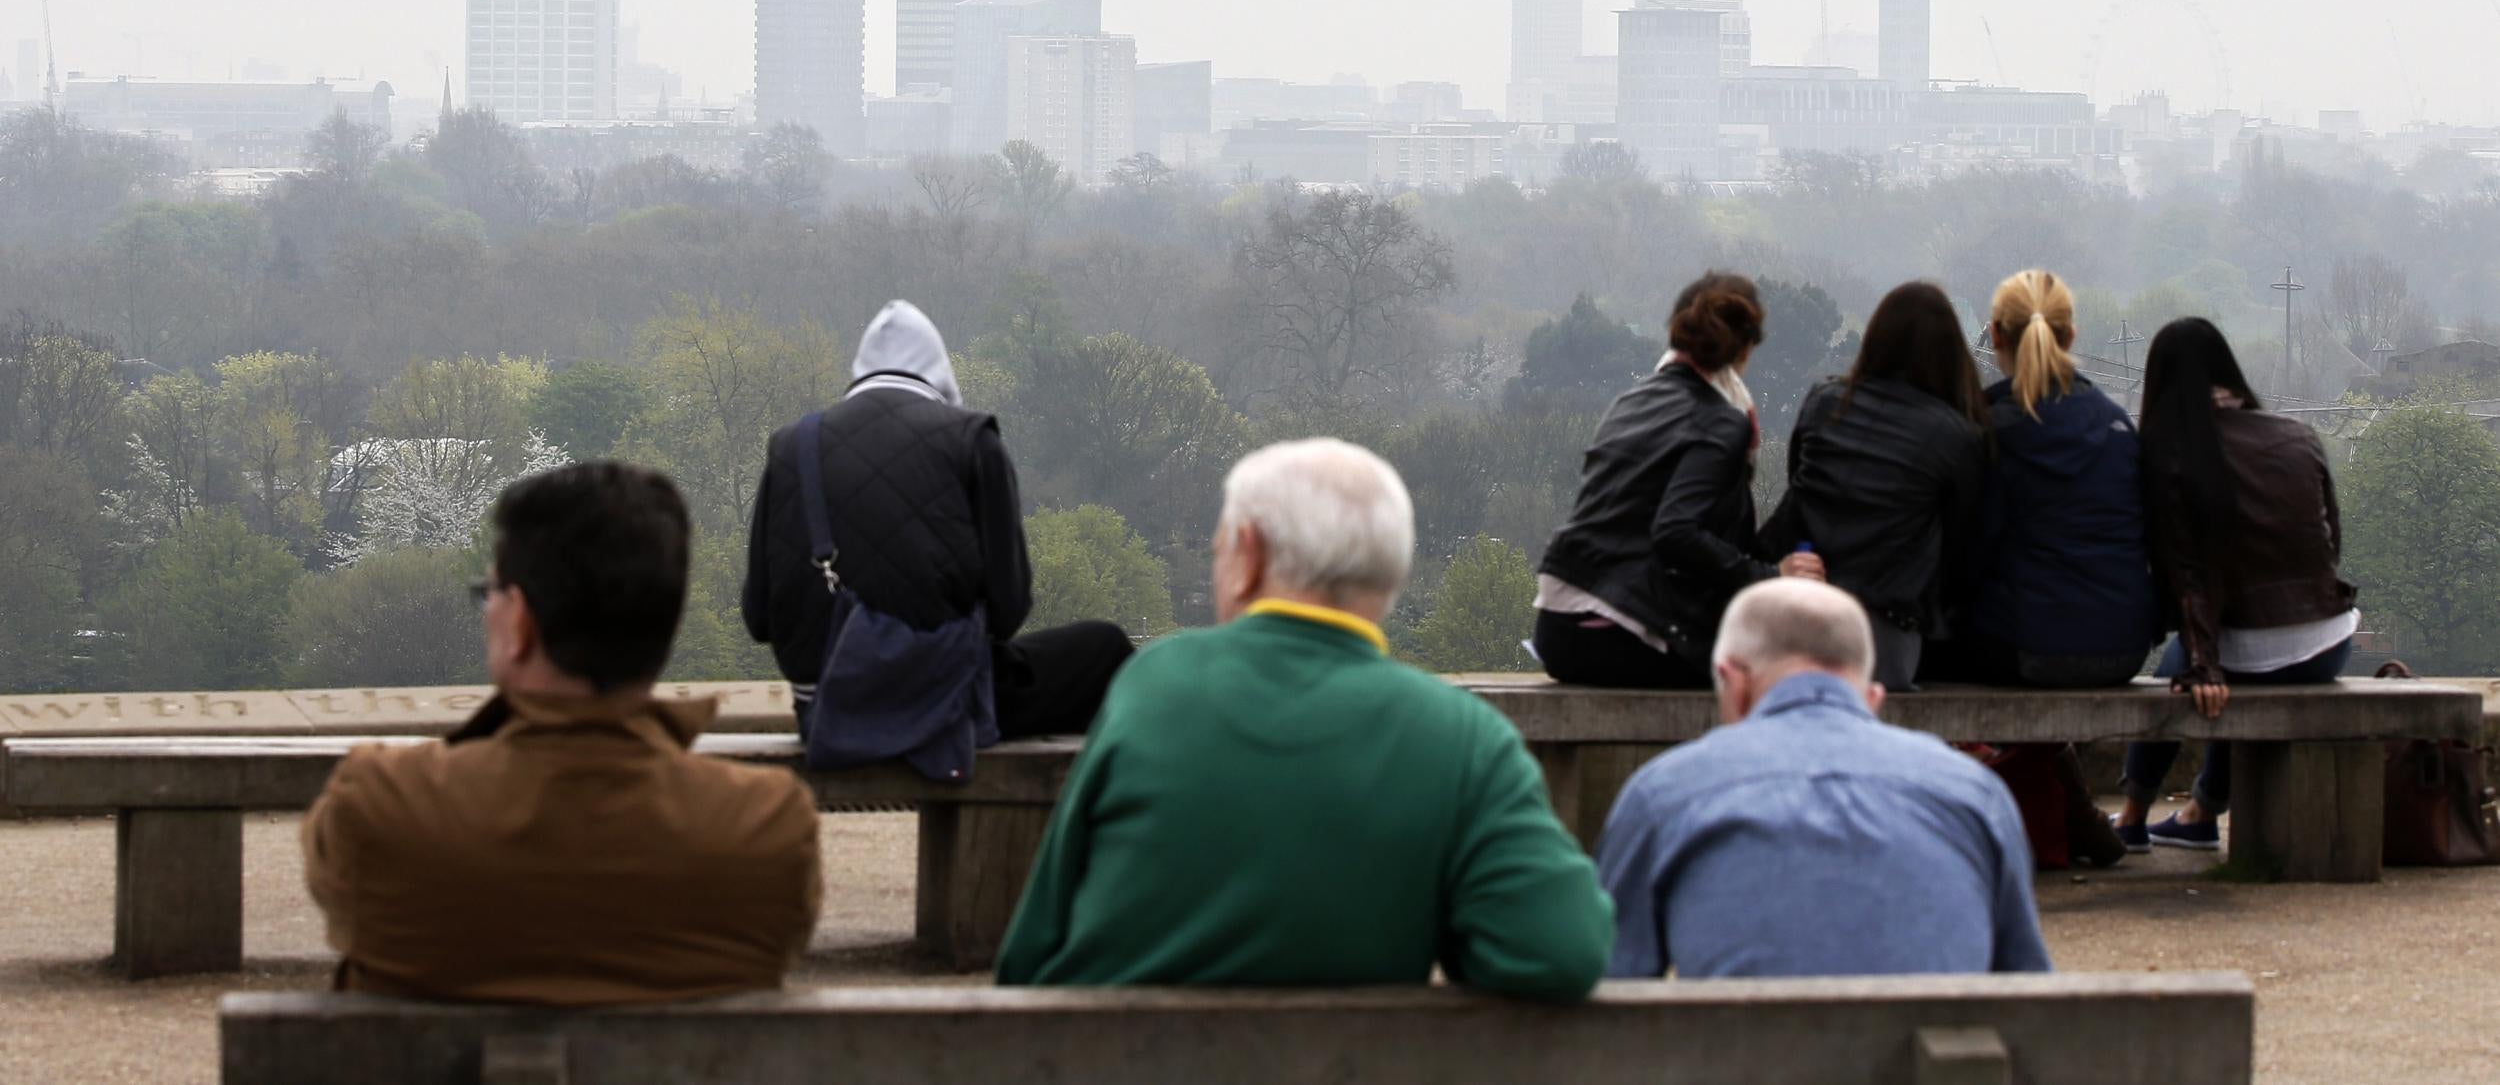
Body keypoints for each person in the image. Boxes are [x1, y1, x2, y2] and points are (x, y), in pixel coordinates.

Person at [995, 438, 1615, 995]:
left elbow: (1029, 954)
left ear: (1248, 554)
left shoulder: (1153, 686)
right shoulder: (1465, 738)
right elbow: (1562, 951)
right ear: (1391, 575)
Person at [302, 463, 821, 1002]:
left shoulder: (381, 805)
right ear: (666, 624)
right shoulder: (767, 827)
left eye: (492, 593)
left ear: (522, 623)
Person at [1595, 578, 2052, 979]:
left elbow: (1613, 990)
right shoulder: (1975, 794)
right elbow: (2027, 992)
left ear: (1733, 683)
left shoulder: (1663, 794)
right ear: (1872, 699)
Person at [743, 301, 1132, 759]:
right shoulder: (972, 440)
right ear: (940, 373)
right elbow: (1008, 612)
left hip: (826, 707)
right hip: (944, 703)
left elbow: (759, 618)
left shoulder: (793, 446)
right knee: (1105, 649)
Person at [2114, 318, 2359, 852]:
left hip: (2246, 646)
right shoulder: (2297, 435)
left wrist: (2202, 662)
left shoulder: (2170, 453)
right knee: (2236, 657)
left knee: (2197, 666)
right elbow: (2330, 543)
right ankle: (2201, 810)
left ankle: (2132, 815)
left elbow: (2184, 572)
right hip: (2329, 642)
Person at [1536, 272, 1818, 690]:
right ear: (1745, 349)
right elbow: (1676, 532)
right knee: (1787, 676)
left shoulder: (1631, 402)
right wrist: (1772, 579)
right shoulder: (1721, 422)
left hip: (1557, 628)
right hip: (1618, 632)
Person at [1925, 269, 2160, 688]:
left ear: (1995, 335)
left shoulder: (1987, 433)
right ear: (2070, 335)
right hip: (2123, 648)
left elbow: (1962, 557)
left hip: (2021, 649)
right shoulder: (2118, 426)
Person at [1761, 280, 1989, 689]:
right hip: (1882, 640)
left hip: (1797, 618)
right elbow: (1963, 555)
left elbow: (1799, 492)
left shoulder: (1825, 401)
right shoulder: (1955, 436)